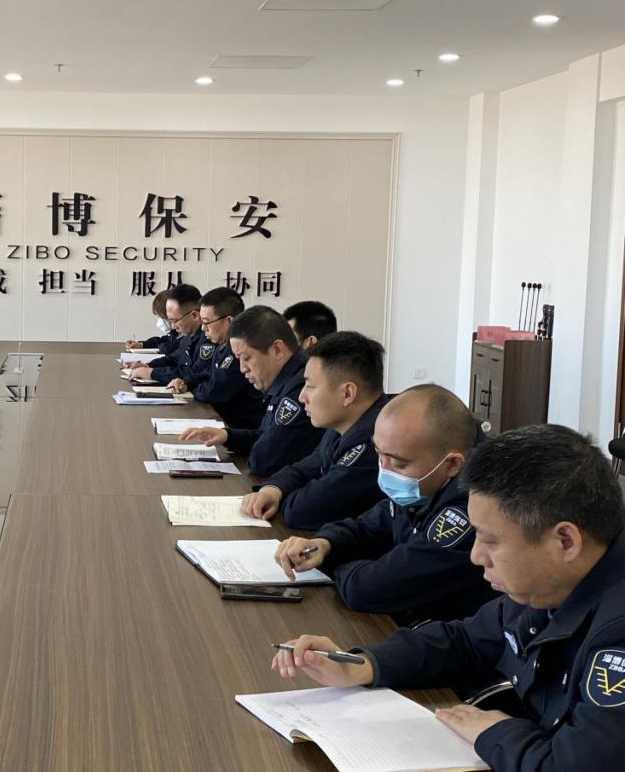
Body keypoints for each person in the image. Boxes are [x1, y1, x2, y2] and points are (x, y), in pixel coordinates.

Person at [272, 424, 625, 772]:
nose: (476, 556)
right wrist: (360, 664)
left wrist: (495, 732)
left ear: (565, 542)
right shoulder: (544, 582)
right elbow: (467, 641)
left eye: (490, 540)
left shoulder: (617, 628)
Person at [273, 384, 498, 625]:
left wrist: (335, 563)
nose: (385, 471)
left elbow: (367, 590)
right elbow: (369, 526)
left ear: (452, 464)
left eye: (399, 464)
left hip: (445, 634)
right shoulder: (425, 480)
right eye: (379, 455)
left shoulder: (474, 508)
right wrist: (324, 544)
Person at [241, 331, 388, 530]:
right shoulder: (342, 425)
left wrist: (282, 496)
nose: (302, 397)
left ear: (347, 394)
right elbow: (302, 469)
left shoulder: (376, 443)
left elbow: (302, 511)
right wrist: (272, 491)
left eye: (310, 386)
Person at [179, 305, 323, 477]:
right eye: (239, 359)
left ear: (277, 349)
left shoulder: (301, 388)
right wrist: (227, 436)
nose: (242, 368)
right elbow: (265, 436)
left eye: (247, 358)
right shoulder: (285, 379)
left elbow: (263, 460)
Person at [164, 288, 265, 429]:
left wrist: (190, 388)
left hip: (239, 428)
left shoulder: (240, 352)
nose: (203, 328)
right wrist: (186, 382)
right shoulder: (222, 345)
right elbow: (207, 373)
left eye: (206, 322)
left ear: (229, 321)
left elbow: (212, 391)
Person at [128, 284, 208, 386]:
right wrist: (148, 366)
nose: (173, 326)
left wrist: (152, 373)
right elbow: (173, 359)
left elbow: (195, 371)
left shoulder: (209, 338)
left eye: (174, 320)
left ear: (194, 315)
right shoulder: (187, 338)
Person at [125, 289, 179, 354]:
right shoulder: (174, 333)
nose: (160, 319)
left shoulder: (184, 334)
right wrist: (142, 345)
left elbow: (167, 348)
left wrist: (161, 347)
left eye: (160, 316)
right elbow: (161, 341)